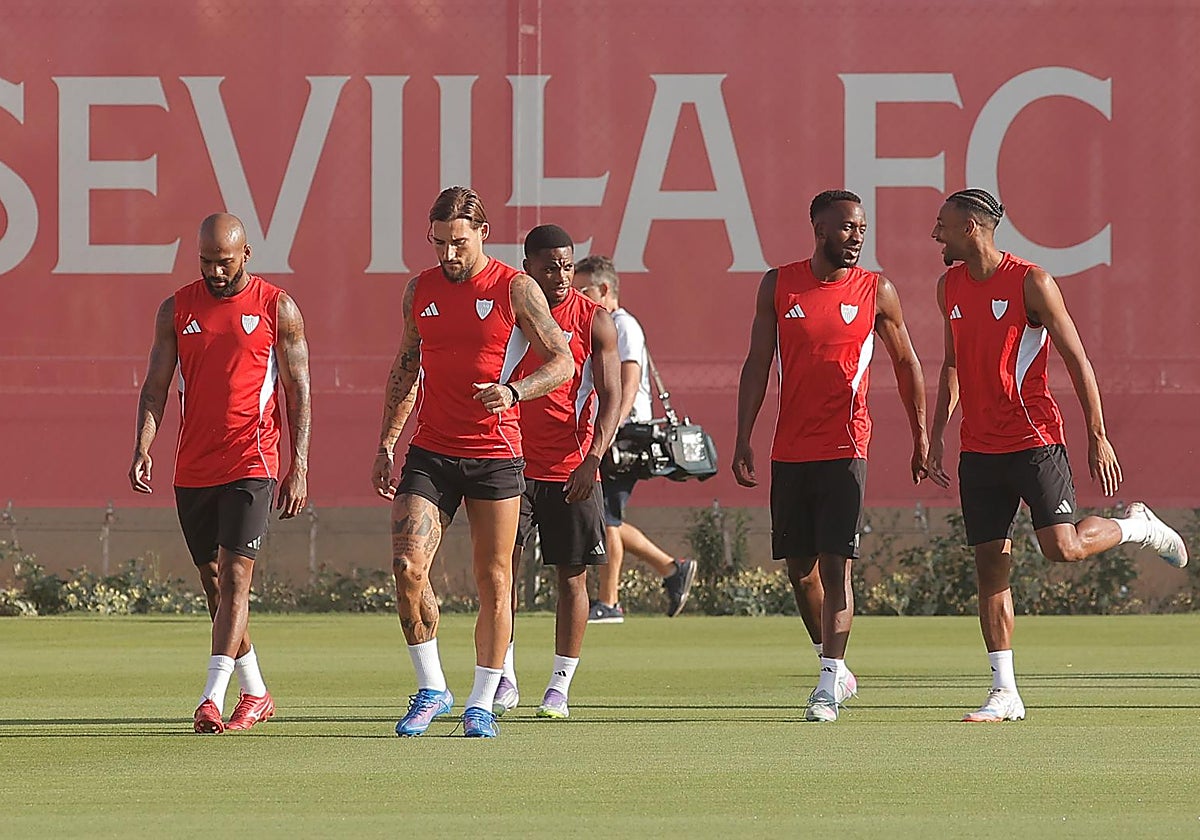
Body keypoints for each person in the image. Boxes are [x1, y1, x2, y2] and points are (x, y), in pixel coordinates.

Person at [927, 188, 1189, 723]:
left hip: (1035, 441)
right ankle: (1005, 690)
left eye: (943, 226)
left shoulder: (1031, 282)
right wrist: (935, 433)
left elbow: (1077, 358)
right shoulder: (948, 285)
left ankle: (1136, 526)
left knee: (1061, 549)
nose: (936, 235)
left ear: (972, 228)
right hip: (978, 450)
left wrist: (1097, 433)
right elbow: (952, 365)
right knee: (989, 568)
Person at [372, 187, 573, 738]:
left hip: (495, 453)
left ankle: (483, 700)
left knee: (494, 578)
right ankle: (432, 686)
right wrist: (388, 442)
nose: (448, 254)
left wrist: (514, 391)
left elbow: (562, 360)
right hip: (431, 449)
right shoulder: (419, 291)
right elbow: (405, 367)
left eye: (457, 242)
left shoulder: (516, 287)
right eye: (438, 243)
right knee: (407, 568)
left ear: (483, 233)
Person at [733, 189, 930, 723]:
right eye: (845, 228)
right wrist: (742, 436)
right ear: (818, 228)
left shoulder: (876, 290)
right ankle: (834, 665)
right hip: (789, 449)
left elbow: (908, 363)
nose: (856, 237)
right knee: (800, 571)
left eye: (861, 228)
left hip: (846, 447)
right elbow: (756, 362)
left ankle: (825, 684)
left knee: (836, 565)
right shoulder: (778, 284)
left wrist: (921, 437)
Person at [129, 213, 311, 734]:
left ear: (247, 255)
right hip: (193, 468)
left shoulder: (278, 308)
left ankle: (210, 698)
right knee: (215, 587)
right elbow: (155, 387)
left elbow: (298, 392)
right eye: (206, 262)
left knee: (236, 579)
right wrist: (144, 446)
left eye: (224, 262)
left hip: (253, 462)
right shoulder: (176, 309)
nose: (214, 271)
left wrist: (299, 466)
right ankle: (256, 691)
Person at [494, 225, 621, 720]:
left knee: (571, 578)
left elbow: (610, 398)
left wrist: (593, 459)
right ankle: (502, 675)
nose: (562, 276)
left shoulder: (596, 321)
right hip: (507, 463)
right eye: (550, 267)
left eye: (567, 265)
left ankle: (559, 687)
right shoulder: (507, 314)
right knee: (500, 574)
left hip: (571, 468)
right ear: (528, 268)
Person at [572, 255, 697, 624]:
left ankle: (608, 602)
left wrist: (608, 433)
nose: (579, 297)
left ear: (605, 290)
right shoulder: (605, 323)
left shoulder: (621, 325)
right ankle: (672, 569)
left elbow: (627, 385)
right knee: (605, 516)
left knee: (606, 517)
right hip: (613, 432)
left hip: (623, 435)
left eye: (585, 290)